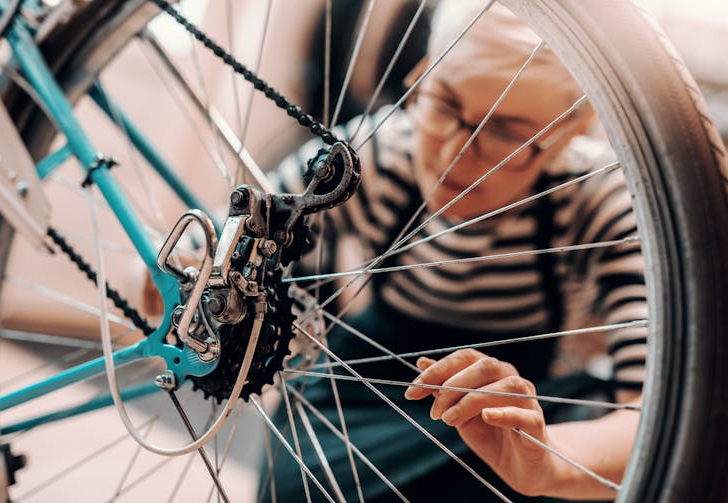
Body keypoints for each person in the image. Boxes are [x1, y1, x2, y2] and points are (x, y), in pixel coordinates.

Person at [265, 1, 647, 501]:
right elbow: (231, 238)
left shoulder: (594, 198)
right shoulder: (377, 155)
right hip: (362, 400)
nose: (455, 155)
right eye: (445, 103)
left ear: (565, 135)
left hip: (507, 416)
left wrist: (549, 461)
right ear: (421, 78)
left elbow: (659, 406)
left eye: (505, 134)